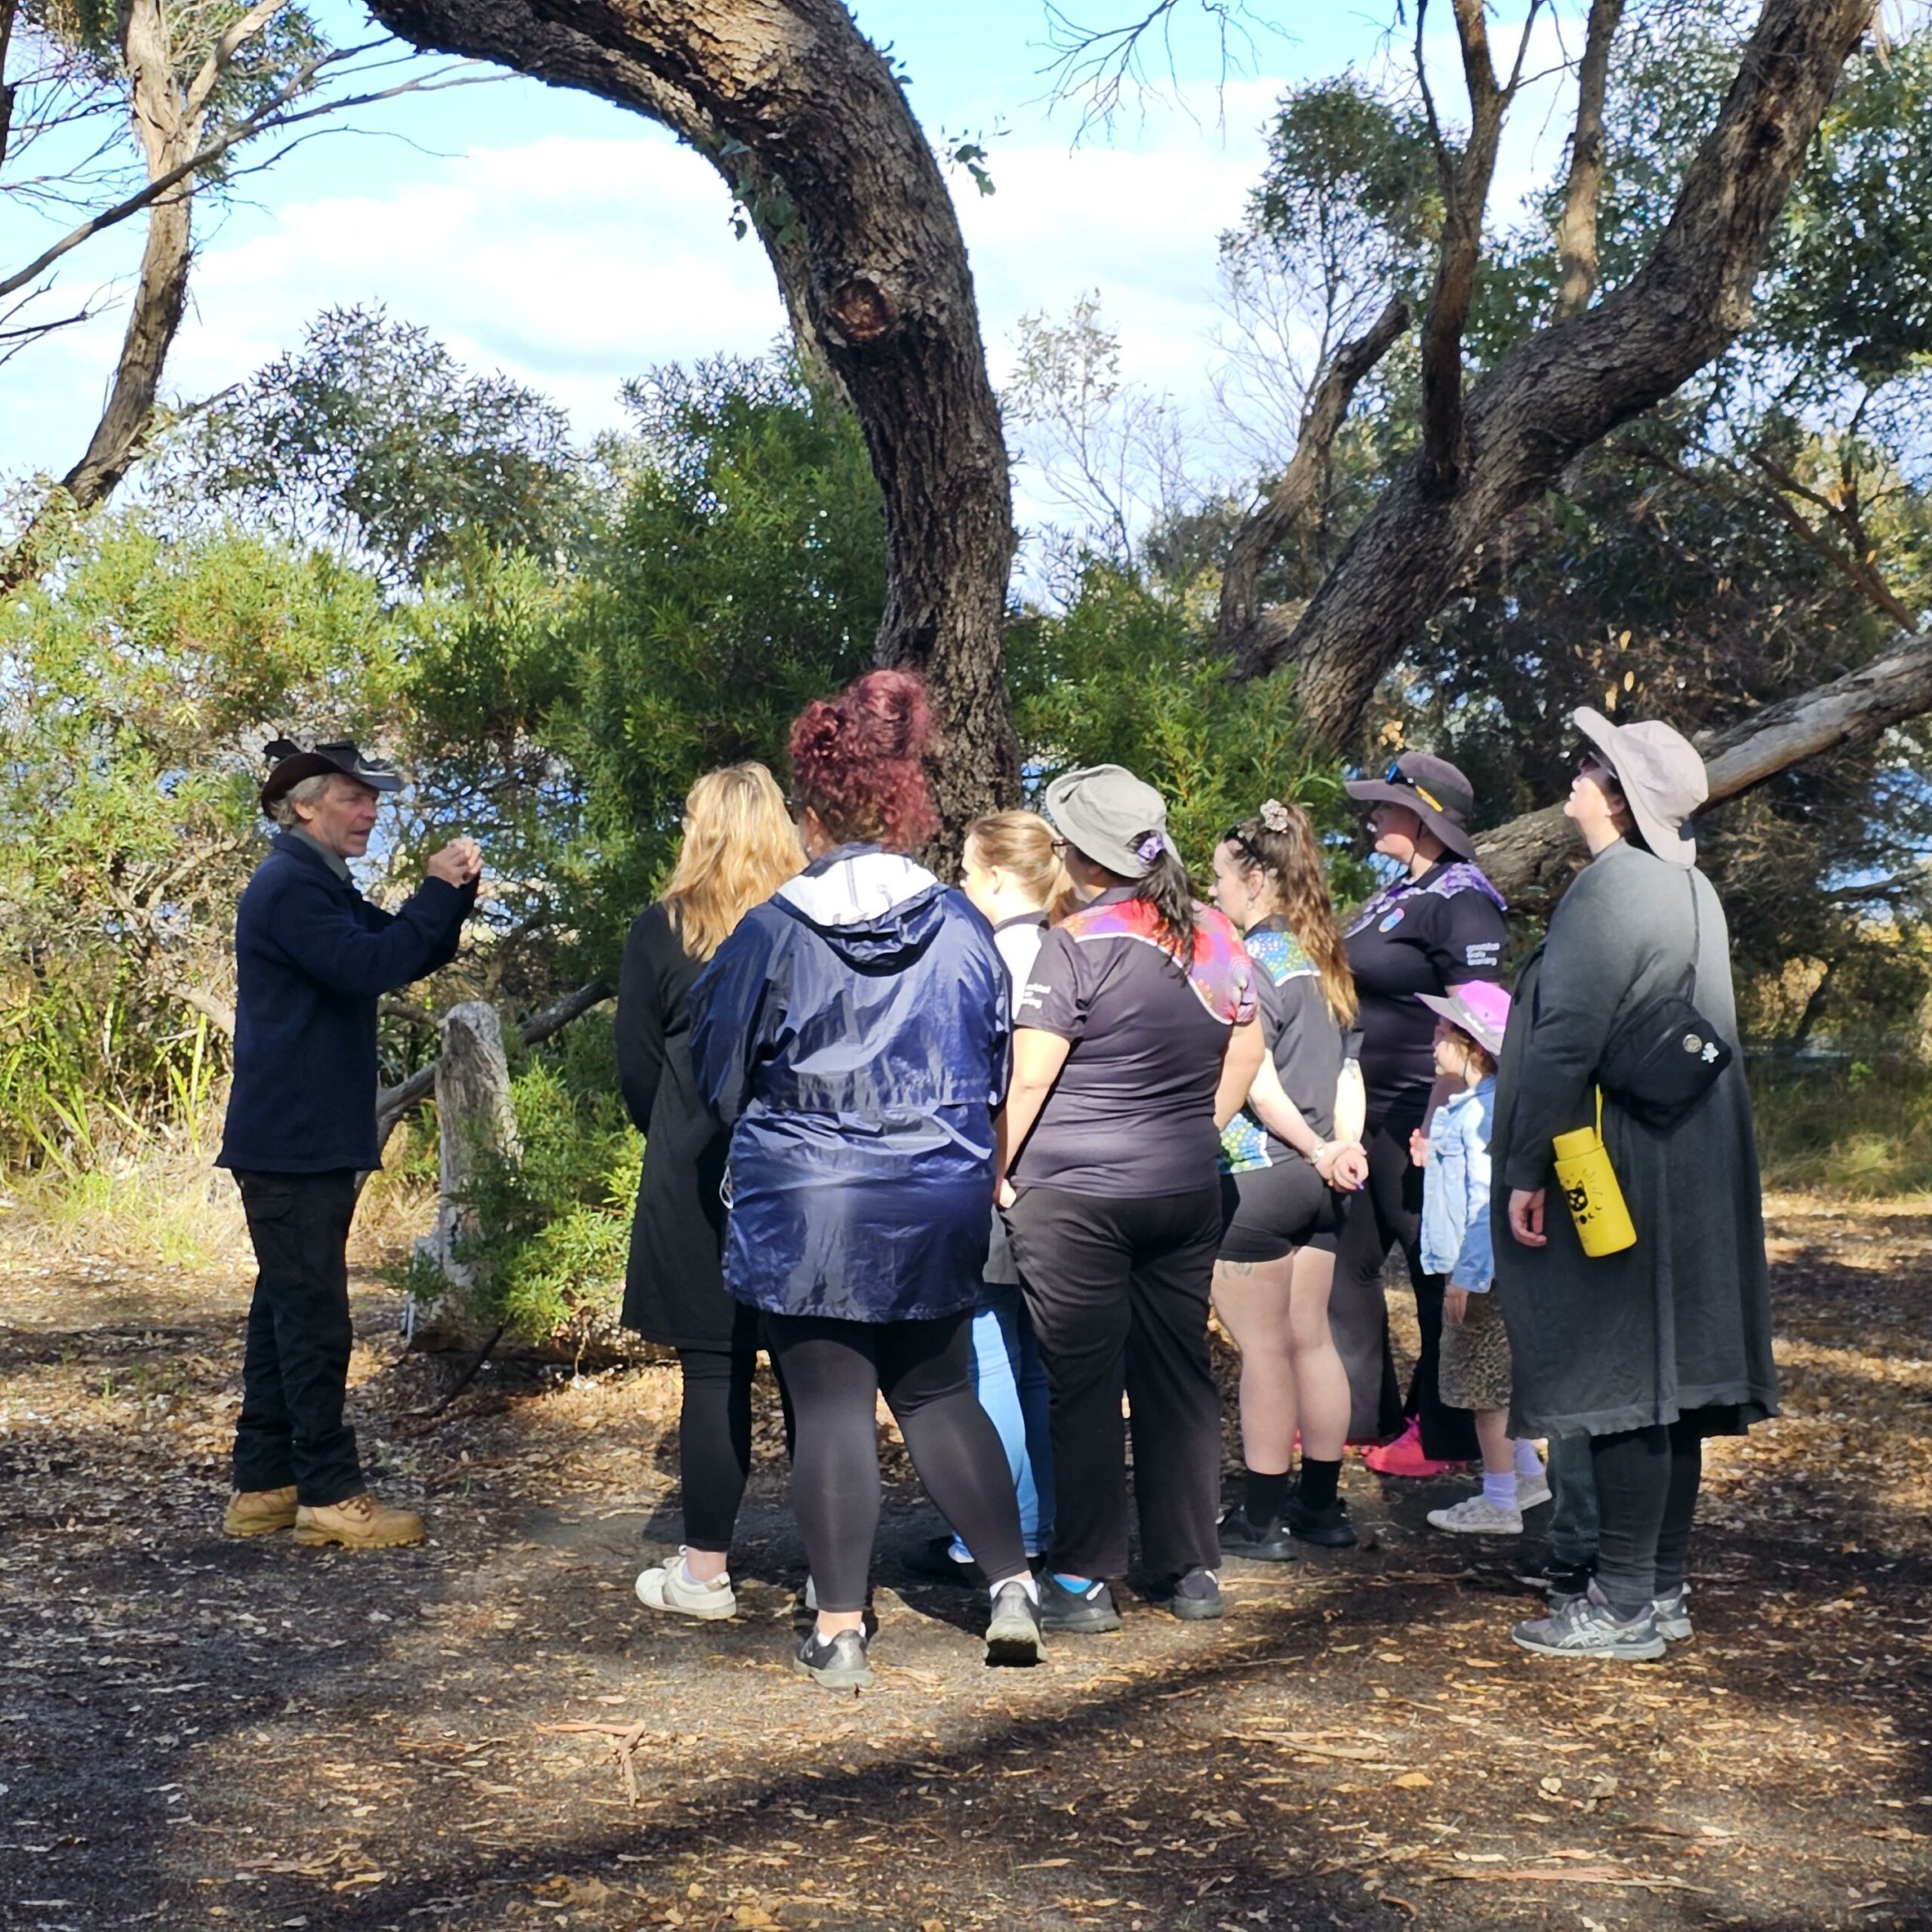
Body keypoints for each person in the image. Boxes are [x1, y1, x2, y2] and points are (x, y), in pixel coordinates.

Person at [690, 671, 1040, 1688]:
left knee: (834, 1402)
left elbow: (718, 1077)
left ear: (810, 816)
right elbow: (994, 1061)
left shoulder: (768, 933)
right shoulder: (962, 925)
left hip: (809, 1197)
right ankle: (1012, 1587)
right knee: (936, 1389)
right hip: (935, 1186)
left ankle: (840, 1629)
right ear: (902, 808)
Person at [1495, 709, 1777, 1661]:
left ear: (1613, 795)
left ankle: (1618, 1605)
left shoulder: (1611, 888)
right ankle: (1655, 1590)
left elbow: (1564, 1043)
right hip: (1688, 1166)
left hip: (1611, 1165)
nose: (1570, 777)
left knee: (1618, 1377)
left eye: (1585, 765)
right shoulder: (1690, 888)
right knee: (1669, 1386)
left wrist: (1526, 1168)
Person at [998, 764, 1263, 1633]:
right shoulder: (1216, 934)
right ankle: (1189, 1569)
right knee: (1177, 1374)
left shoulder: (1071, 941)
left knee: (1082, 1383)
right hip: (1185, 1184)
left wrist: (997, 1170)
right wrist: (1196, 1126)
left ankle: (1081, 1578)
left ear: (1078, 855)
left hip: (1075, 1192)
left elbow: (1031, 1074)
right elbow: (1246, 1052)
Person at [217, 739, 479, 1549]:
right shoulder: (291, 888)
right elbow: (369, 964)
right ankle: (330, 1490)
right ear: (305, 806)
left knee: (286, 1309)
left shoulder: (314, 882)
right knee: (316, 1318)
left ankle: (265, 1484)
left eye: (374, 799)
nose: (372, 811)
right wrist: (434, 888)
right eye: (356, 799)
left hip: (301, 1136)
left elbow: (409, 945)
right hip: (293, 1140)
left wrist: (455, 895)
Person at [620, 764, 803, 1621]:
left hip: (696, 1166)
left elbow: (635, 1071)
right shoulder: (811, 924)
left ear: (700, 830)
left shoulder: (662, 929)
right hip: (805, 1170)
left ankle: (704, 1572)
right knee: (818, 1375)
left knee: (712, 1370)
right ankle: (828, 1572)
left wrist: (678, 1126)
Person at [1334, 752, 1508, 1477]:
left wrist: (1441, 1118)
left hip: (1419, 1110)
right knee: (1350, 1265)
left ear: (1426, 815)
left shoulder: (1465, 899)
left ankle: (1446, 1433)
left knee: (1439, 1273)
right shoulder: (1398, 893)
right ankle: (1358, 1412)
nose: (1372, 815)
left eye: (1385, 804)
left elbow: (1480, 1022)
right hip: (1363, 1110)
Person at [902, 811, 1063, 1587]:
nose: (962, 887)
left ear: (998, 876)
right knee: (1032, 1362)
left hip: (996, 1170)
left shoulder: (993, 955)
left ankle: (1002, 1529)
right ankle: (1043, 1512)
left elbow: (992, 1076)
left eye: (967, 873)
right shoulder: (1066, 944)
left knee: (986, 1355)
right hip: (1059, 1183)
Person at [1208, 798, 1371, 1561]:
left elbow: (1256, 1083)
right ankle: (1321, 1506)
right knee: (1312, 1341)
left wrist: (1310, 1148)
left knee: (1264, 1350)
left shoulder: (1246, 964)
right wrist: (1344, 1149)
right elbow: (1349, 1070)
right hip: (1322, 1183)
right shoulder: (1326, 961)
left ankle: (1258, 1518)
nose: (1213, 895)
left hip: (1261, 1174)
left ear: (1259, 884)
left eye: (1219, 880)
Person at [1412, 985, 1551, 1537]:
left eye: (1444, 1034)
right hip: (1486, 1267)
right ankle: (1525, 1475)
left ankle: (1499, 1500)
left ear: (1473, 1046)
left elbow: (1483, 1202)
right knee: (1494, 1378)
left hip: (1481, 1272)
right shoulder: (1473, 1107)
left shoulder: (1481, 1114)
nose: (1434, 1042)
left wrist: (1466, 1276)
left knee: (1483, 1387)